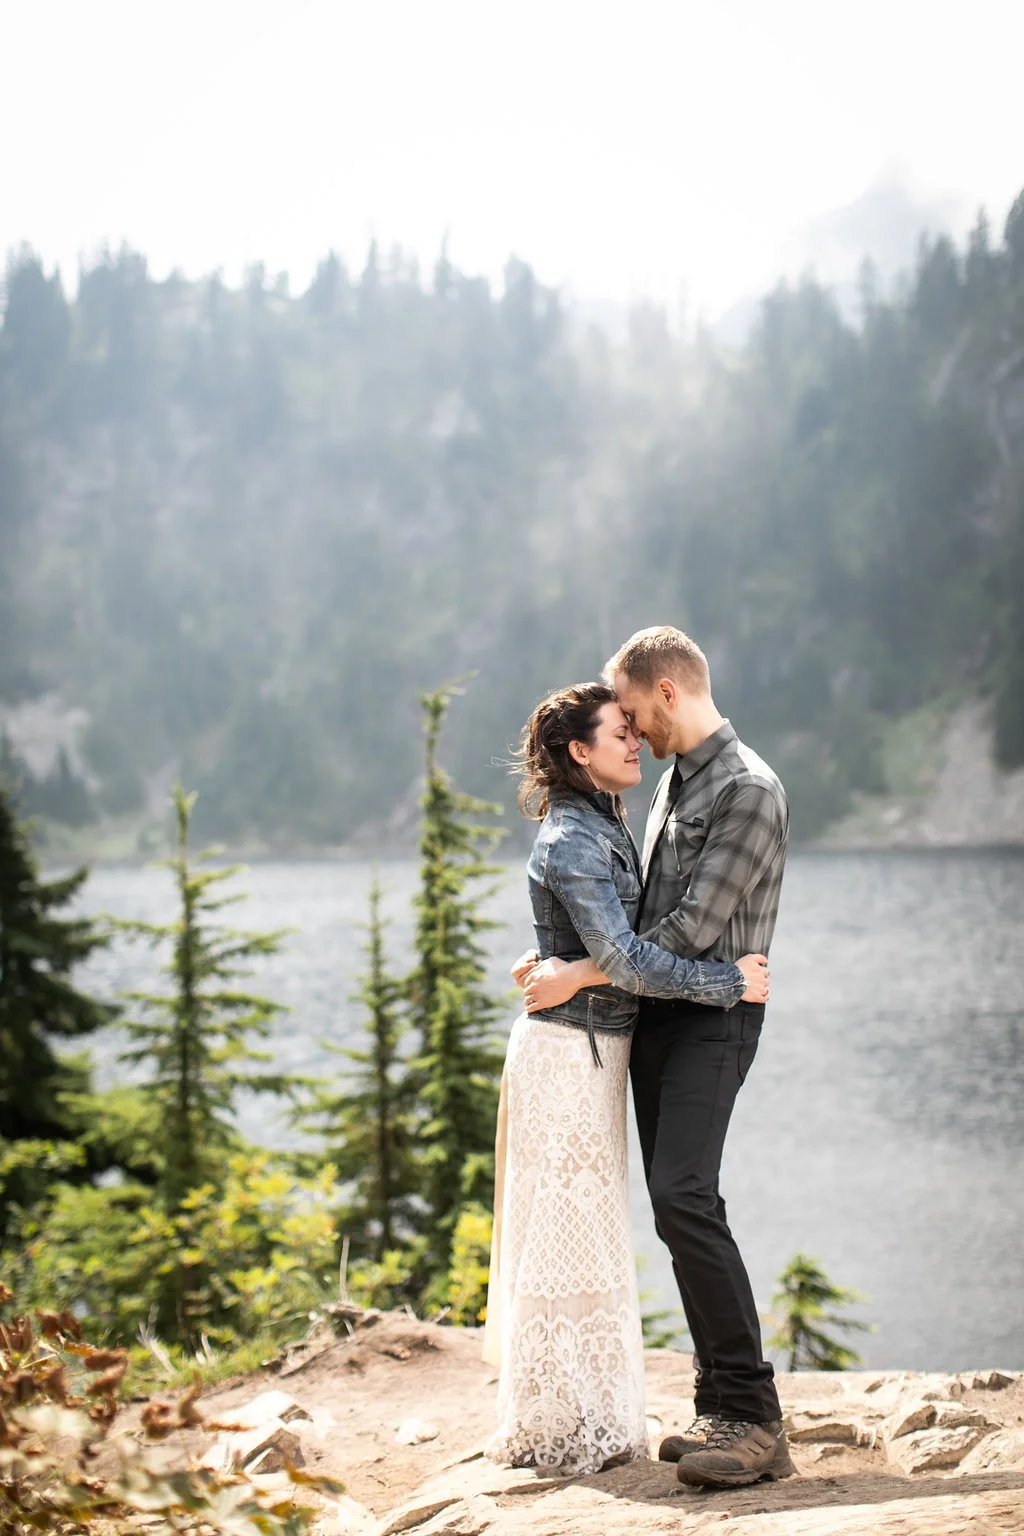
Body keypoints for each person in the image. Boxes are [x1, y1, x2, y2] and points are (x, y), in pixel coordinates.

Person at [518, 627, 794, 1489]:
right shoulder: (675, 782)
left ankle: (754, 1417)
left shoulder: (748, 790)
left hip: (715, 1016)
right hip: (659, 1017)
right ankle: (719, 1403)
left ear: (667, 693)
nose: (632, 731)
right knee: (674, 1206)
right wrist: (568, 964)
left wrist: (575, 974)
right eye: (620, 723)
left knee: (684, 1194)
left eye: (635, 712)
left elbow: (686, 934)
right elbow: (630, 919)